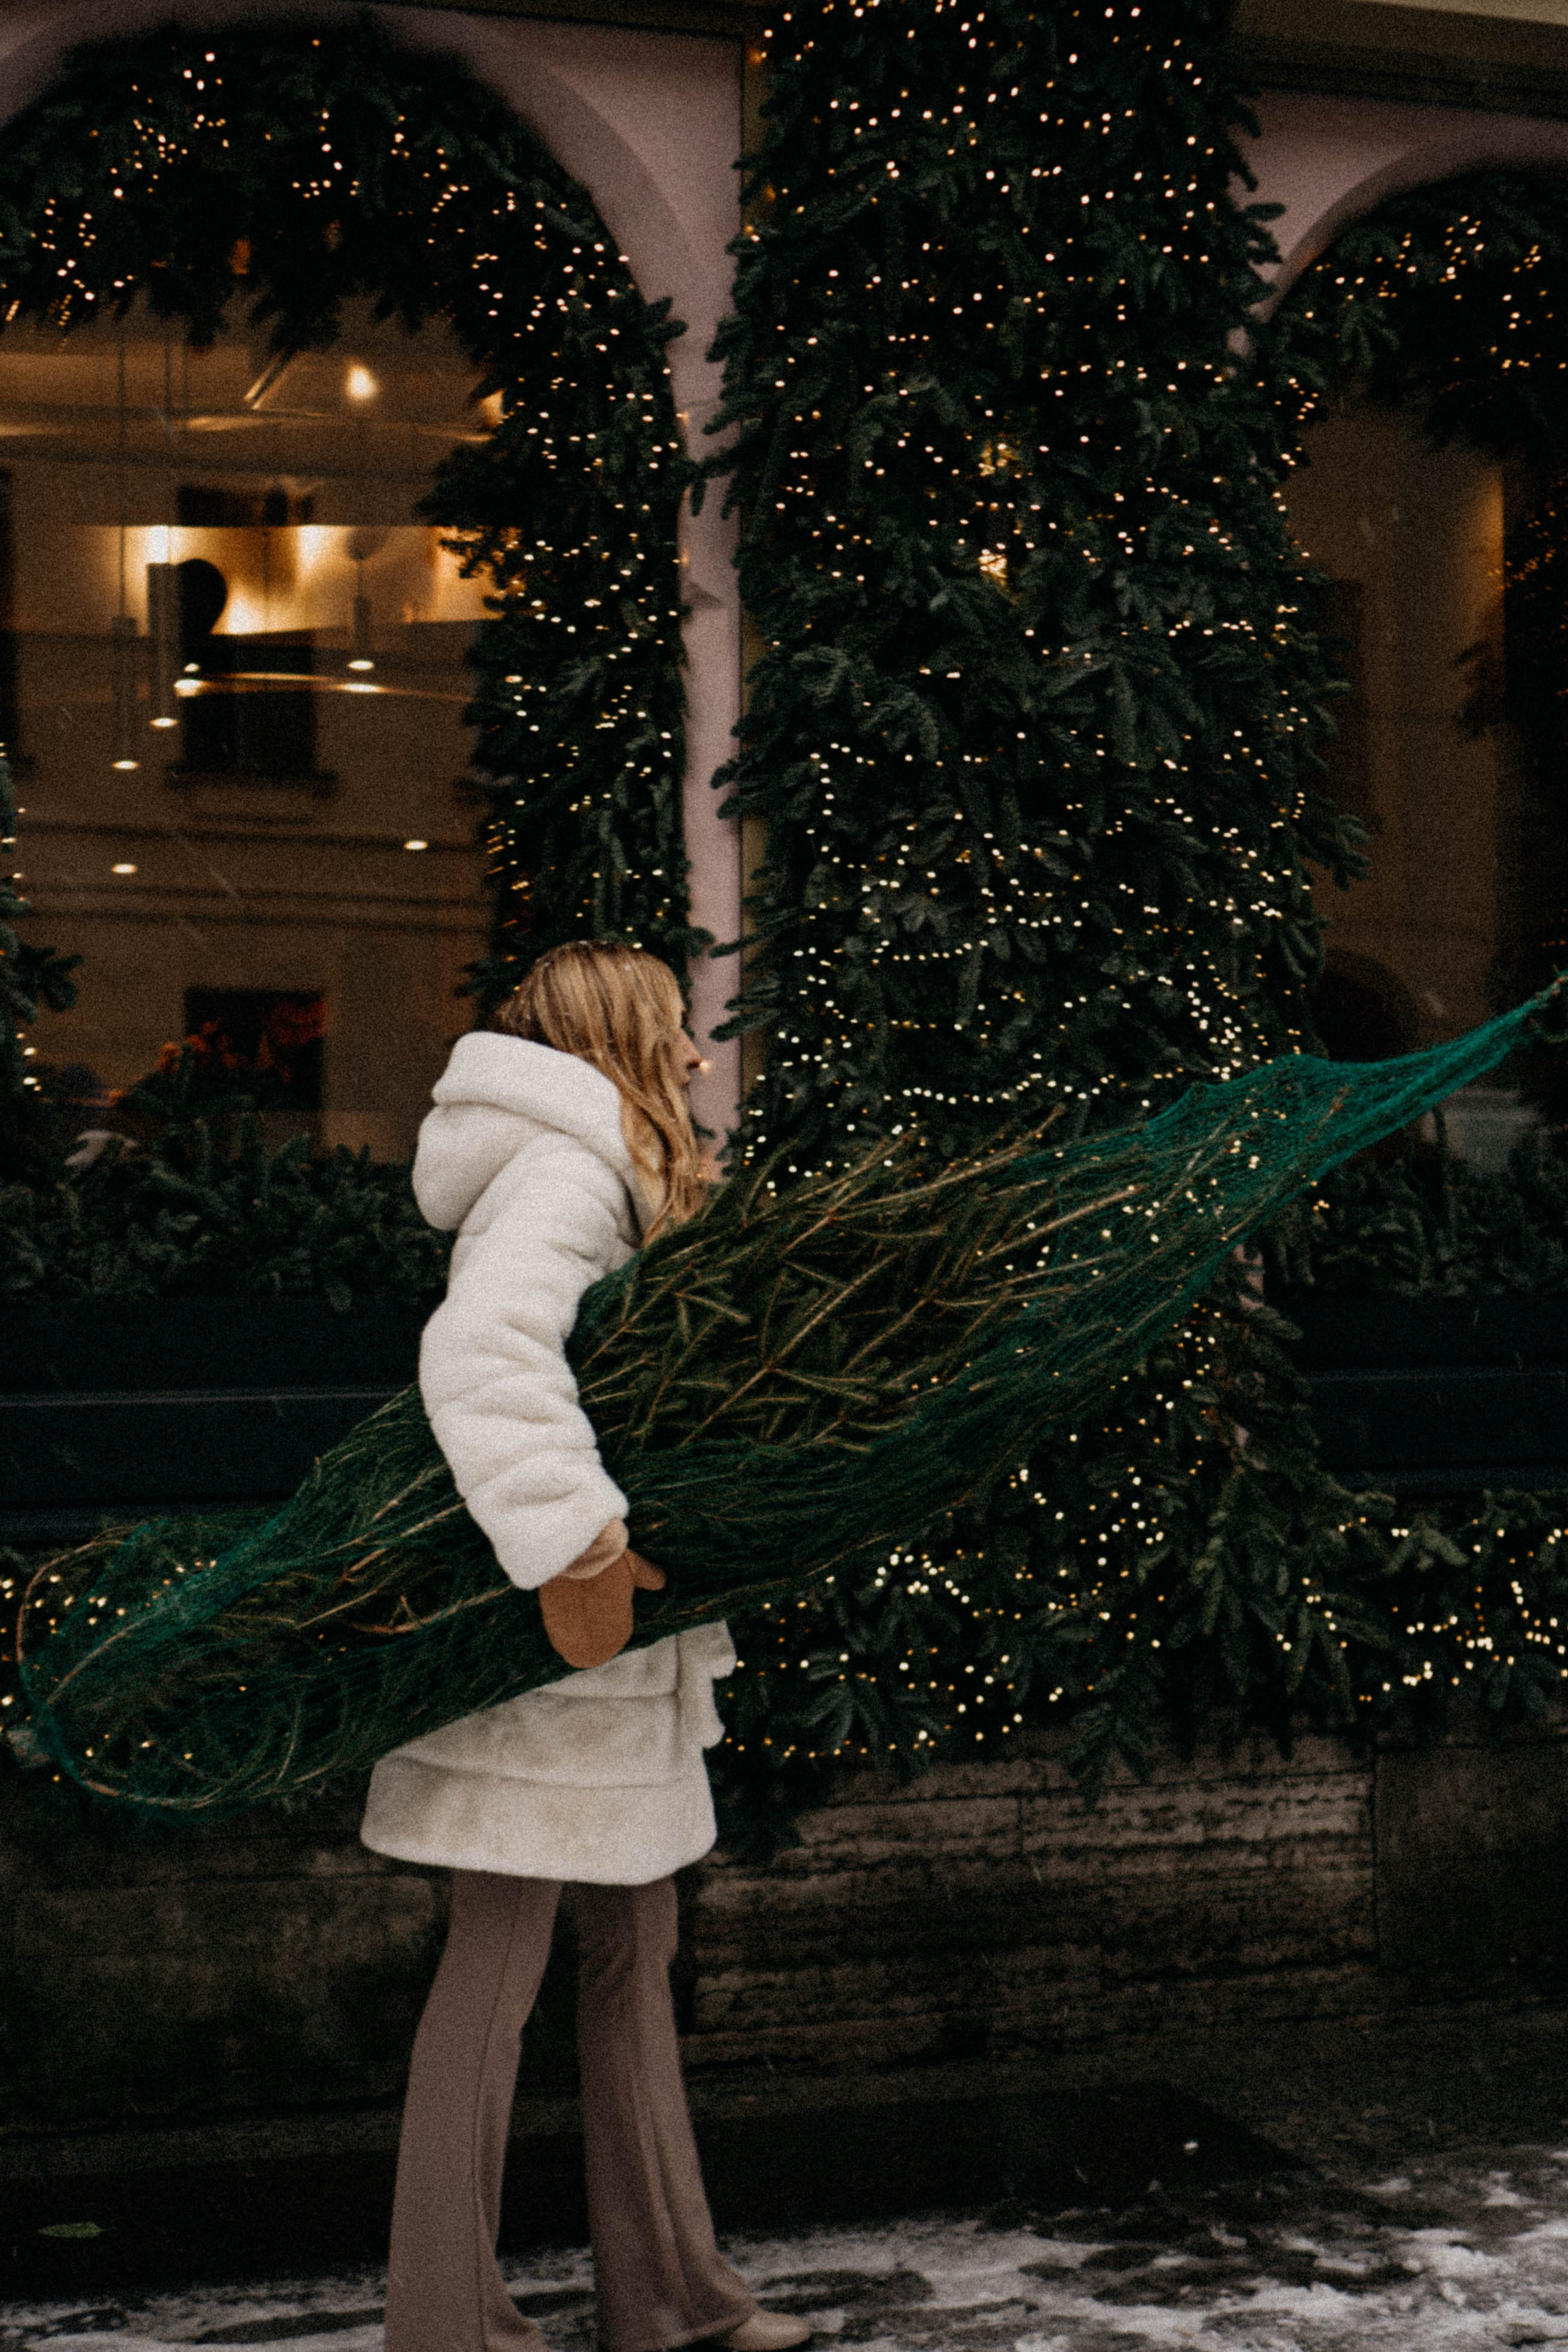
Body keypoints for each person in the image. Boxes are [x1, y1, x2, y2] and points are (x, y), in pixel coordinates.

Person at [361, 941, 809, 2352]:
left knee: (629, 1960)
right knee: (497, 1978)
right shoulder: (562, 1174)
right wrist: (578, 1547)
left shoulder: (601, 1171)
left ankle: (668, 2296)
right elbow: (484, 1355)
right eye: (670, 1029)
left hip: (611, 1667)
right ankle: (449, 2324)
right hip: (552, 1656)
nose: (691, 1056)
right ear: (618, 1039)